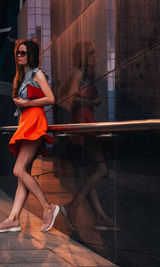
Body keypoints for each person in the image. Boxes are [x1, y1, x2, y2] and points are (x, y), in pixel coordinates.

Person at [0, 39, 59, 233]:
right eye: (18, 53)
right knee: (23, 175)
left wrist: (25, 104)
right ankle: (13, 219)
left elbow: (51, 98)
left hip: (34, 121)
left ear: (31, 54)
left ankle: (48, 208)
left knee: (18, 170)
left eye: (23, 53)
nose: (19, 56)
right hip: (25, 122)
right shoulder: (20, 76)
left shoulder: (37, 73)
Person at [60, 41, 118, 231]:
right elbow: (69, 98)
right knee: (101, 169)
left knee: (90, 171)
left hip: (85, 123)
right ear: (84, 55)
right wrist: (92, 101)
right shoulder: (78, 73)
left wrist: (94, 101)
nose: (95, 56)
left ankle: (100, 216)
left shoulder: (85, 75)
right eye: (91, 53)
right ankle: (72, 206)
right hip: (82, 125)